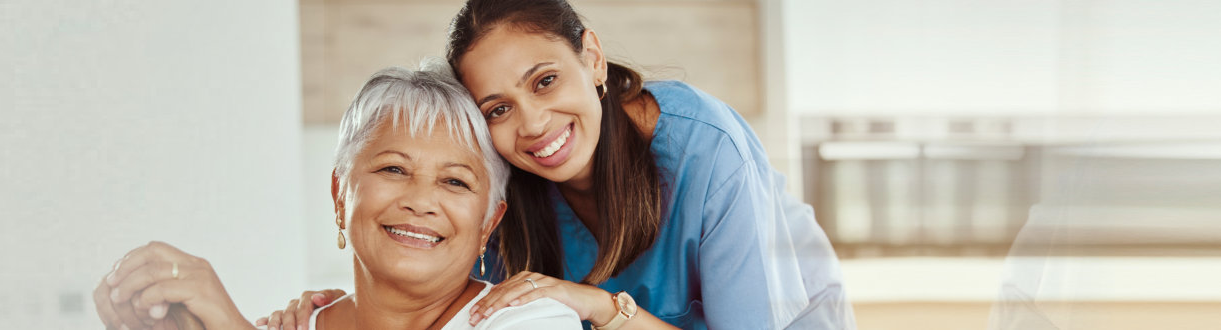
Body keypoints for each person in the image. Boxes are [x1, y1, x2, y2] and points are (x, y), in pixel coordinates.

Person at [262, 0, 855, 329]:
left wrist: (603, 308)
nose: (534, 124)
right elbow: (449, 300)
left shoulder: (706, 149)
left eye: (545, 81)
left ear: (591, 58)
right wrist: (350, 315)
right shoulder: (505, 189)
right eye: (499, 107)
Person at [93, 64, 581, 330]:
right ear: (338, 195)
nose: (420, 200)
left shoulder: (533, 321)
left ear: (489, 224)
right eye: (393, 168)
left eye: (455, 181)